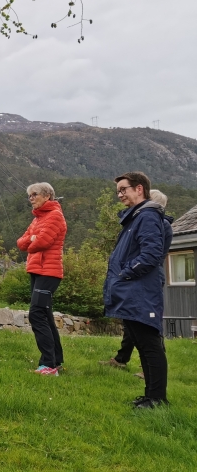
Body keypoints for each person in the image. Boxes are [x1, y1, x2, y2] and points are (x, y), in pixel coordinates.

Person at [104, 172, 173, 409]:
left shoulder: (148, 216)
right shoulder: (136, 217)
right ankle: (150, 396)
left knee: (150, 345)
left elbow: (151, 254)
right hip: (132, 291)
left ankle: (157, 399)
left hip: (140, 291)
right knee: (143, 344)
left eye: (124, 189)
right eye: (118, 191)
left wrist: (125, 274)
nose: (120, 194)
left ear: (139, 189)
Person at [16, 182, 68, 376]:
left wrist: (32, 239)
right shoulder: (38, 219)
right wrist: (32, 239)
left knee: (36, 314)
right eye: (29, 195)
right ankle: (57, 361)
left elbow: (42, 242)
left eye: (34, 194)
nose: (31, 198)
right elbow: (21, 242)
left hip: (49, 272)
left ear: (47, 196)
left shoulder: (55, 216)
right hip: (37, 271)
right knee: (44, 314)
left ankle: (48, 364)